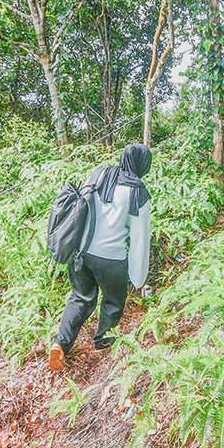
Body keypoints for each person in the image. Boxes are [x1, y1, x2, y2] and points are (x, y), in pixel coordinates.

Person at [49, 144, 152, 371]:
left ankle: (60, 344)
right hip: (111, 259)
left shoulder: (100, 173)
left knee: (80, 298)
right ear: (142, 164)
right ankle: (103, 342)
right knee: (114, 300)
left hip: (80, 253)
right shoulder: (138, 192)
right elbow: (140, 238)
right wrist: (138, 277)